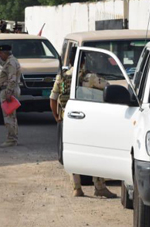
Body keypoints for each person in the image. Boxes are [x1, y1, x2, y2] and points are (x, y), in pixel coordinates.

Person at [50, 55, 117, 198]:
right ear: (84, 61)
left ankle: (77, 188)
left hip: (68, 119)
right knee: (95, 152)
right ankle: (99, 187)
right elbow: (108, 87)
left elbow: (53, 99)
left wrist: (57, 117)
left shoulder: (61, 77)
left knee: (72, 153)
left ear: (69, 61)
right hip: (87, 120)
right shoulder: (90, 77)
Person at [0, 44, 21, 147]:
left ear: (3, 53)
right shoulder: (11, 60)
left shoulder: (11, 62)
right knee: (12, 117)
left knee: (9, 117)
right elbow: (4, 65)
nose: (0, 55)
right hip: (10, 90)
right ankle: (13, 138)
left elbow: (12, 79)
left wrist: (8, 92)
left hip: (8, 90)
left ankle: (11, 139)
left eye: (0, 54)